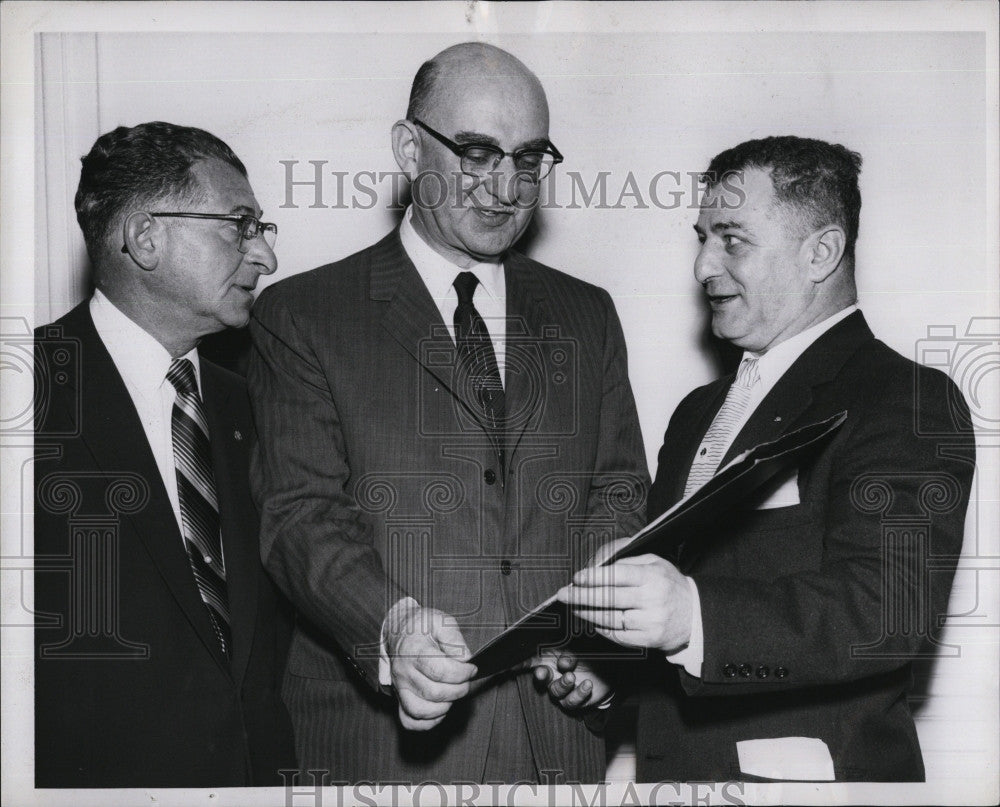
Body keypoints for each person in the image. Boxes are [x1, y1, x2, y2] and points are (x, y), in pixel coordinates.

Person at [248, 42, 649, 784]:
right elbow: (300, 515)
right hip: (381, 752)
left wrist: (596, 633)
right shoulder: (302, 315)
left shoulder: (587, 314)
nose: (505, 185)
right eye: (476, 152)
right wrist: (391, 625)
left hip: (555, 744)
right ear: (408, 148)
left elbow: (618, 488)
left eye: (528, 159)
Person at [558, 136, 975, 782]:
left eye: (732, 239)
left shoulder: (907, 400)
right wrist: (613, 679)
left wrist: (691, 615)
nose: (701, 265)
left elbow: (888, 612)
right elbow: (695, 634)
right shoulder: (696, 413)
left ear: (822, 252)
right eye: (701, 237)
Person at [33, 121, 296, 787]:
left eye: (262, 229)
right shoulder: (25, 394)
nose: (265, 257)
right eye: (240, 225)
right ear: (147, 237)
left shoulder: (257, 405)